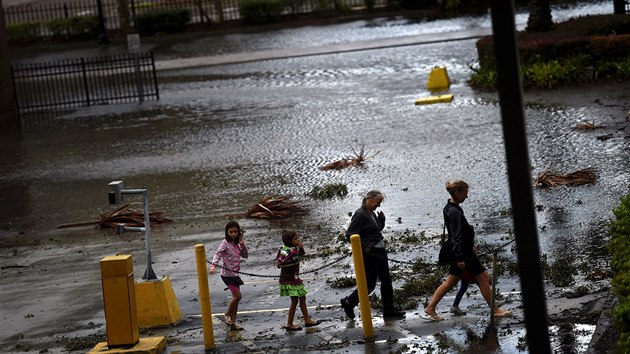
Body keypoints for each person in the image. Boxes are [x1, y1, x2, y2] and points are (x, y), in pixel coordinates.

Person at [423, 180, 512, 321]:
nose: (466, 196)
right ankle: (495, 310)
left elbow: (457, 233)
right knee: (482, 279)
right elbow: (456, 236)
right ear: (456, 193)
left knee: (451, 282)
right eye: (465, 194)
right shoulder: (454, 211)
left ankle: (430, 308)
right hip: (462, 253)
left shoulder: (450, 207)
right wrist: (460, 258)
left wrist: (469, 244)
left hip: (462, 250)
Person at [340, 190, 406, 319]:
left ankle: (389, 310)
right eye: (378, 202)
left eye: (380, 203)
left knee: (386, 281)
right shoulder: (360, 215)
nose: (379, 205)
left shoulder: (371, 213)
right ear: (369, 199)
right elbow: (350, 235)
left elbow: (375, 230)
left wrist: (382, 220)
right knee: (369, 284)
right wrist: (365, 246)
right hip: (370, 253)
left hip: (380, 250)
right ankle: (349, 302)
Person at [275, 229, 321, 331]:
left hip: (295, 278)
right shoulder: (286, 251)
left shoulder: (294, 249)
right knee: (294, 300)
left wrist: (301, 248)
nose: (298, 240)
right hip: (288, 279)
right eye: (295, 239)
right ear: (289, 241)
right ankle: (289, 323)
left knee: (302, 297)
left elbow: (301, 254)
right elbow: (280, 262)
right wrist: (289, 259)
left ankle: (307, 319)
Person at [210, 220, 249, 330]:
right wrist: (213, 265)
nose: (233, 234)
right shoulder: (225, 243)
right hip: (227, 275)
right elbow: (218, 254)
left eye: (235, 232)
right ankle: (227, 315)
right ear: (227, 232)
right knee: (238, 296)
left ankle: (233, 322)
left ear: (238, 232)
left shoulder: (237, 243)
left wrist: (243, 245)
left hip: (235, 275)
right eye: (231, 232)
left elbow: (245, 255)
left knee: (235, 300)